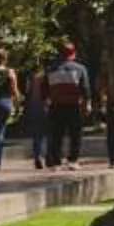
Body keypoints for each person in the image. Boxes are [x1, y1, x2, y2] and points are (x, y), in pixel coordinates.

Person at [41, 40, 92, 169]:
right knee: (75, 134)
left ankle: (56, 162)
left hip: (56, 105)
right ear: (73, 53)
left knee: (56, 134)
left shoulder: (50, 69)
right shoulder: (80, 69)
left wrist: (45, 103)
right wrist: (87, 104)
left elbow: (44, 89)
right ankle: (73, 160)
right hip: (73, 105)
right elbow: (85, 88)